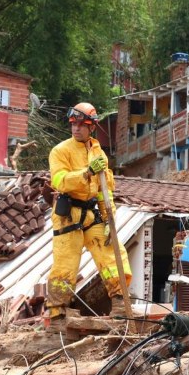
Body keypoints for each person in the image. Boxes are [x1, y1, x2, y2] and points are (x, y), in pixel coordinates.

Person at [46, 102, 131, 325]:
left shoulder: (97, 150)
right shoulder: (61, 151)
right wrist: (86, 172)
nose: (76, 129)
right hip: (68, 213)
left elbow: (105, 189)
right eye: (74, 124)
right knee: (65, 263)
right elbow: (60, 181)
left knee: (112, 254)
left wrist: (109, 218)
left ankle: (121, 303)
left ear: (91, 127)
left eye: (81, 125)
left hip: (92, 212)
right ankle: (57, 312)